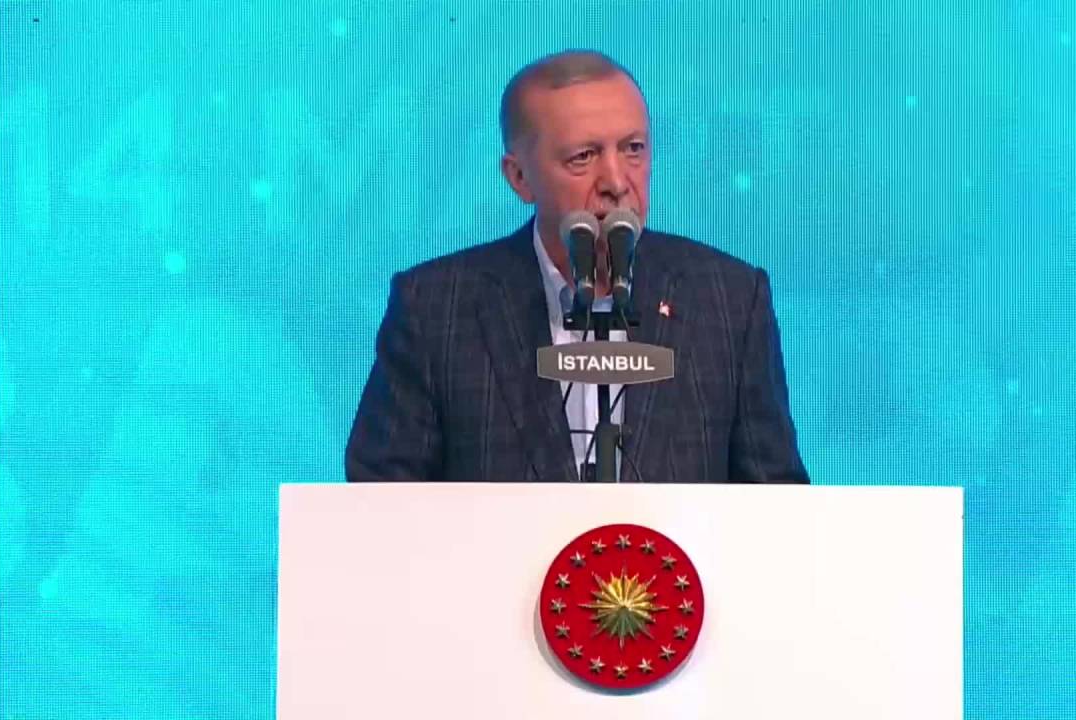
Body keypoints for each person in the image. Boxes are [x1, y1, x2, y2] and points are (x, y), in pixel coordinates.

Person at [345, 49, 808, 483]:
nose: (616, 182)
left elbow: (776, 502)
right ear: (519, 178)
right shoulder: (436, 308)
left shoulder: (728, 300)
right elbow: (381, 499)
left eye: (633, 148)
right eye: (583, 157)